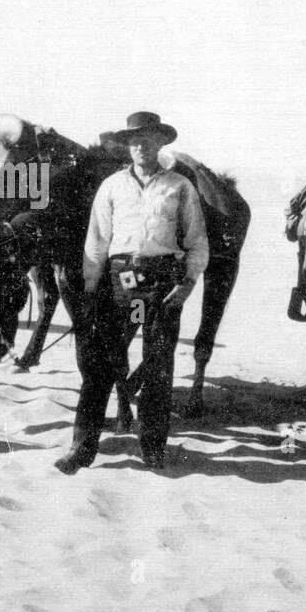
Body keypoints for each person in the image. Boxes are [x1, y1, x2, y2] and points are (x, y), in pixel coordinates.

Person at [54, 112, 207, 473]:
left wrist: (187, 284)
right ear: (127, 145)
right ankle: (82, 448)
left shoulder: (180, 186)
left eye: (149, 139)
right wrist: (91, 289)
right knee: (100, 363)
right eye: (135, 140)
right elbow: (96, 242)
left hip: (161, 284)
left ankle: (152, 449)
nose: (141, 146)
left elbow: (197, 242)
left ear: (161, 143)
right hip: (123, 283)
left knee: (157, 363)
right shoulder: (111, 186)